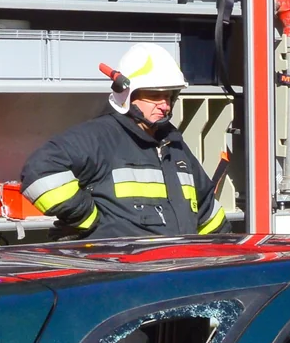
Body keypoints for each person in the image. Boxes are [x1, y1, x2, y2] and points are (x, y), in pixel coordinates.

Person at [20, 42, 226, 237]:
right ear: (126, 94)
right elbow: (39, 172)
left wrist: (217, 253)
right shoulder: (100, 137)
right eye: (154, 96)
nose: (165, 105)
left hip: (174, 262)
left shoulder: (174, 145)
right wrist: (88, 220)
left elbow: (210, 215)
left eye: (169, 96)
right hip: (115, 261)